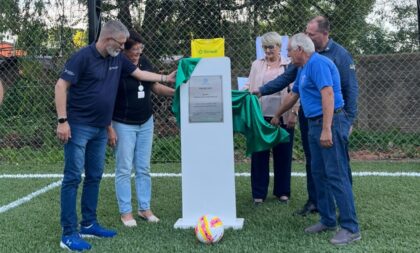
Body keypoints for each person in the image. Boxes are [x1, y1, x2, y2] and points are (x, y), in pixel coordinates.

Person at [55, 20, 175, 252]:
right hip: (79, 126)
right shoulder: (82, 57)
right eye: (121, 44)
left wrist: (164, 79)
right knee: (72, 178)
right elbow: (61, 86)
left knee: (94, 176)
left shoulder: (117, 58)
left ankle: (88, 223)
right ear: (108, 39)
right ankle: (68, 233)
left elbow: (139, 74)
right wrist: (62, 121)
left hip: (101, 128)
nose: (124, 49)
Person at [252, 16, 358, 216]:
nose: (307, 36)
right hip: (311, 119)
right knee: (314, 164)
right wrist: (263, 92)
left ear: (324, 34)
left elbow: (346, 89)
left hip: (332, 119)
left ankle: (345, 213)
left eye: (311, 34)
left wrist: (348, 119)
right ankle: (317, 203)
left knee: (337, 167)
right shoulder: (303, 63)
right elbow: (290, 86)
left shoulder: (339, 56)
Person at [272, 33, 360, 246]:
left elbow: (328, 95)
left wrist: (327, 129)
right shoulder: (303, 68)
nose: (287, 55)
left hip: (329, 123)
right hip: (313, 125)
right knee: (318, 173)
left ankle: (350, 228)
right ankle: (328, 220)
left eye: (289, 51)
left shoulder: (318, 64)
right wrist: (277, 114)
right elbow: (294, 95)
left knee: (336, 175)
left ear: (300, 50)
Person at [107, 30, 174, 227]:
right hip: (123, 123)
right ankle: (126, 212)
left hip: (146, 122)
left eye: (140, 49)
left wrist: (176, 93)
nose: (138, 53)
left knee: (143, 167)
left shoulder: (144, 62)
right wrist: (108, 126)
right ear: (124, 49)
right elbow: (108, 96)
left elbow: (154, 86)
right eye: (134, 50)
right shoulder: (117, 63)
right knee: (124, 168)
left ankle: (144, 209)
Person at [244, 32, 299, 205]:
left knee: (283, 154)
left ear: (279, 47)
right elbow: (249, 85)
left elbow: (296, 90)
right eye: (265, 47)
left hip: (283, 116)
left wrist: (294, 112)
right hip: (260, 117)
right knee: (259, 154)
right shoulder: (256, 65)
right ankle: (258, 194)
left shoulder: (289, 65)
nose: (267, 50)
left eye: (271, 47)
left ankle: (282, 192)